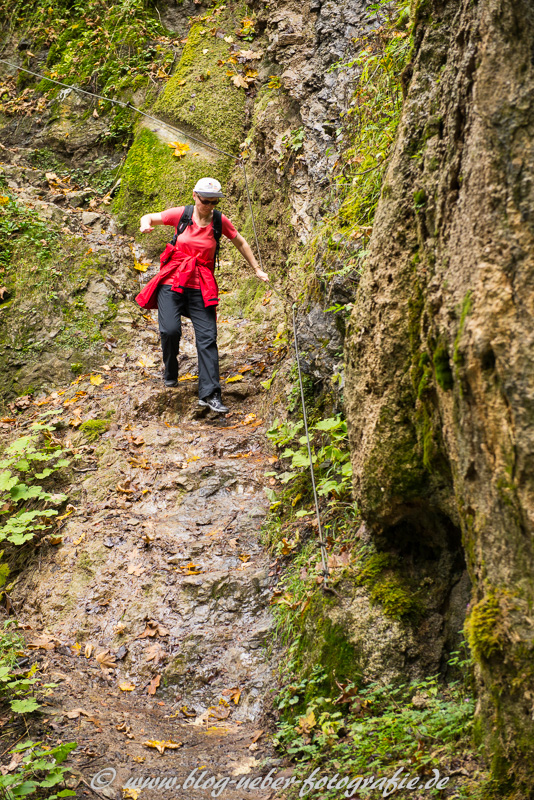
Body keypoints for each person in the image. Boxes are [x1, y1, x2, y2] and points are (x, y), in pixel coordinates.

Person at [135, 177, 268, 413]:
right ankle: (170, 370)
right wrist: (145, 224)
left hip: (201, 286)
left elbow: (241, 242)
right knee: (169, 330)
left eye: (214, 202)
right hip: (172, 281)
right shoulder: (182, 214)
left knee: (207, 338)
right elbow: (151, 216)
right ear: (195, 196)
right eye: (206, 201)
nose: (209, 206)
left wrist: (257, 269)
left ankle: (210, 394)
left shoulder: (219, 221)